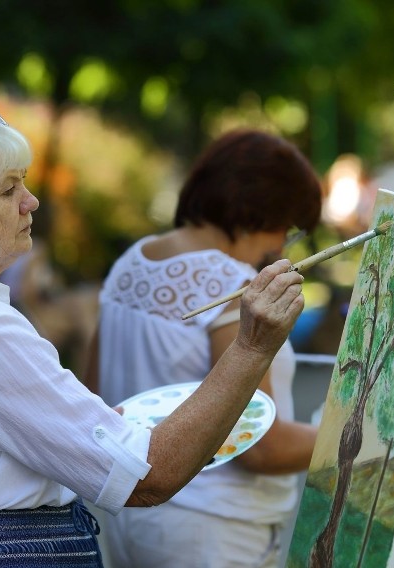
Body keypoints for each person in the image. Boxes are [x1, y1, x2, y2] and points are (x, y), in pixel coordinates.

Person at [0, 101, 306, 568]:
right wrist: (252, 347)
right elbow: (147, 477)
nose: (31, 200)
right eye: (8, 189)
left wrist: (81, 425)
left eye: (25, 183)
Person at [85, 130, 323, 567]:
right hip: (214, 527)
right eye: (287, 230)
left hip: (132, 518)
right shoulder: (232, 284)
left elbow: (96, 392)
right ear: (262, 211)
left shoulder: (133, 261)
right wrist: (353, 437)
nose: (279, 248)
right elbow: (257, 444)